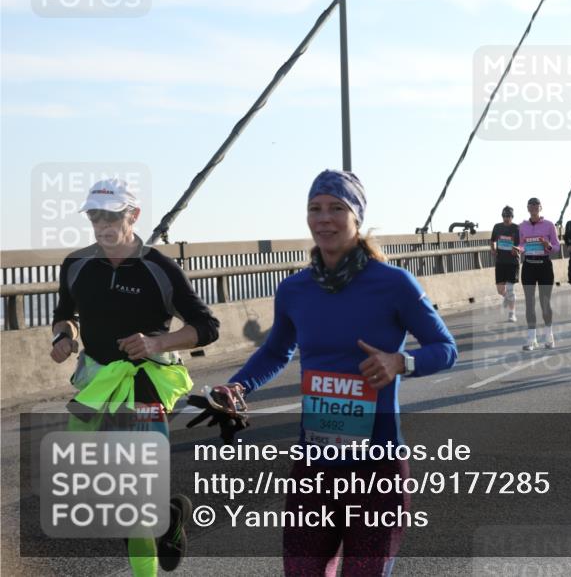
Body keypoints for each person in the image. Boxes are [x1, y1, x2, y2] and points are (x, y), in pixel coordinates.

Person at [222, 169, 457, 576]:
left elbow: (445, 348)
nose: (324, 218)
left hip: (377, 468)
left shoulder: (394, 283)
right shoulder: (294, 290)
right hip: (313, 467)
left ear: (356, 217)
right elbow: (276, 351)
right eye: (315, 208)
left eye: (336, 208)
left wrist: (401, 362)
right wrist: (237, 386)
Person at [50, 178, 221, 576]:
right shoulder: (76, 265)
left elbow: (207, 326)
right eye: (95, 216)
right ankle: (170, 514)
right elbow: (65, 314)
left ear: (134, 215)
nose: (102, 225)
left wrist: (156, 343)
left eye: (111, 216)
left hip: (144, 386)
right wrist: (64, 337)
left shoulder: (160, 269)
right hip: (99, 385)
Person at [518, 197, 561, 350]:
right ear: (528, 208)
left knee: (545, 303)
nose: (534, 207)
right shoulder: (522, 226)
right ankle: (532, 339)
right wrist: (518, 249)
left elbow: (556, 247)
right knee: (529, 303)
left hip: (544, 266)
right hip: (528, 266)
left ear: (540, 208)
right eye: (531, 205)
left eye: (537, 205)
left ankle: (549, 337)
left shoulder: (549, 225)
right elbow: (521, 245)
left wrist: (547, 245)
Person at [489, 206, 520, 322]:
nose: (506, 218)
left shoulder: (517, 228)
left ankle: (512, 314)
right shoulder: (497, 227)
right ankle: (507, 297)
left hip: (512, 262)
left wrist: (517, 249)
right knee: (500, 290)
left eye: (508, 216)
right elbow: (492, 240)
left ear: (512, 217)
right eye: (504, 216)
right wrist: (493, 249)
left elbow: (522, 244)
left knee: (510, 289)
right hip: (500, 261)